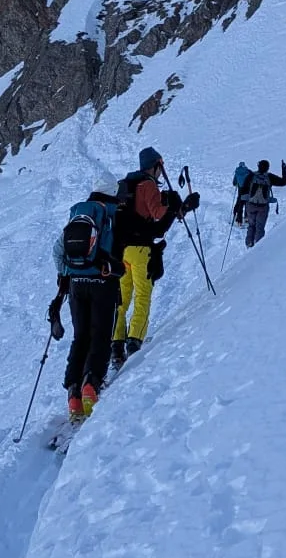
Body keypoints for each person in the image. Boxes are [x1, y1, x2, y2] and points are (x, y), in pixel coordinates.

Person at [111, 145, 198, 366]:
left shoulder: (126, 184)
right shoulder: (147, 185)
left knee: (122, 298)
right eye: (160, 166)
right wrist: (178, 207)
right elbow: (158, 216)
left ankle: (116, 344)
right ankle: (134, 341)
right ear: (155, 165)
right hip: (141, 249)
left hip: (121, 251)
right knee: (142, 295)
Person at [51, 173, 122, 424]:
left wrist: (67, 274)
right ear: (113, 191)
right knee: (101, 335)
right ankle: (91, 385)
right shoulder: (112, 213)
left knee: (81, 336)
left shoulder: (78, 212)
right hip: (103, 282)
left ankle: (73, 393)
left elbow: (58, 250)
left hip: (76, 285)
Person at [238, 158, 286, 248]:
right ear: (267, 168)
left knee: (251, 225)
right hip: (263, 207)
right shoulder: (269, 177)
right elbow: (284, 182)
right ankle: (258, 247)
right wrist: (284, 170)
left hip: (250, 205)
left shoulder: (251, 176)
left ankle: (249, 244)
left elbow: (243, 191)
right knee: (260, 228)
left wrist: (240, 208)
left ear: (258, 166)